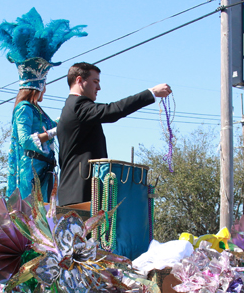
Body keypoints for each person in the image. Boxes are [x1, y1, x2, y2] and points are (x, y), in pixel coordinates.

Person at [0, 8, 87, 201]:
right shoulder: (23, 109)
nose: (45, 90)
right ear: (38, 87)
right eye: (44, 86)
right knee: (31, 217)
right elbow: (26, 139)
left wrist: (73, 115)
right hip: (30, 172)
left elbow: (55, 125)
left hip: (45, 170)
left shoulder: (38, 111)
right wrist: (51, 133)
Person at [56, 63, 171, 206]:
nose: (99, 88)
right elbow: (113, 110)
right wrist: (151, 93)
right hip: (79, 196)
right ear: (79, 80)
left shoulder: (71, 107)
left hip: (74, 194)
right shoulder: (78, 106)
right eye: (95, 82)